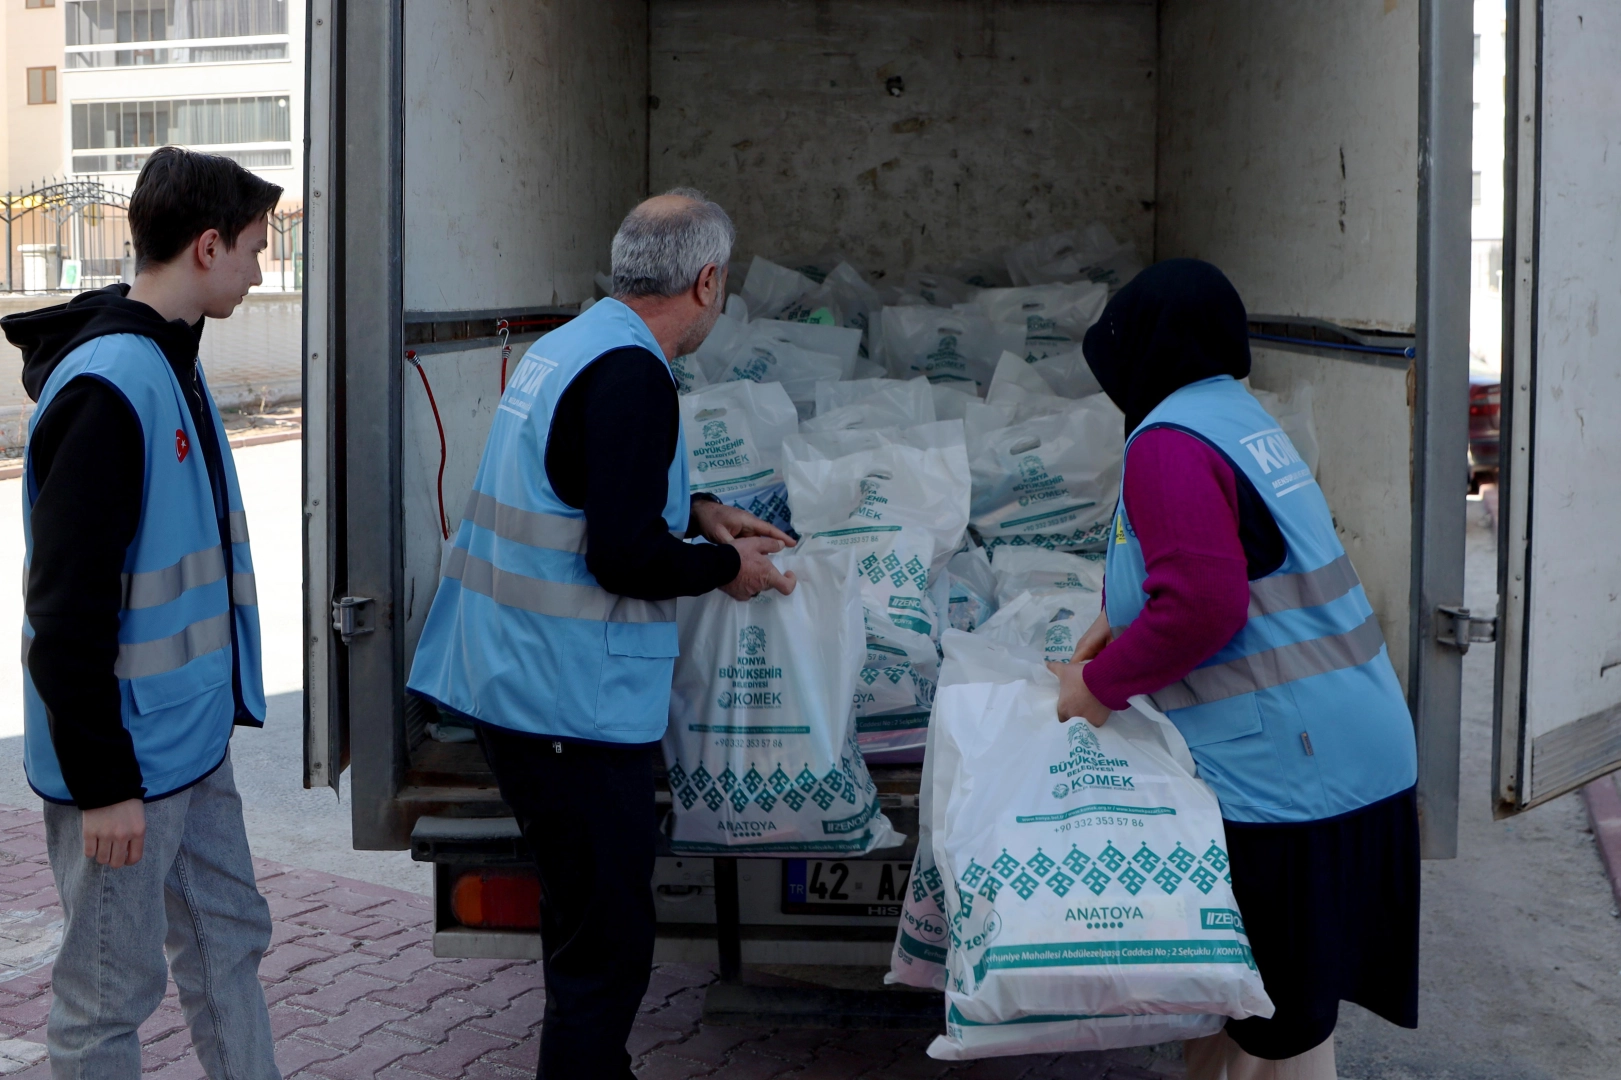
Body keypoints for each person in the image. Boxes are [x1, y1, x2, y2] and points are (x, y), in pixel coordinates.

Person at [407, 189, 795, 1079]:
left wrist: (700, 512)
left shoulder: (575, 345)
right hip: (564, 705)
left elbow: (585, 482)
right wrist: (723, 568)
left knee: (583, 921)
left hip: (510, 682)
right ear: (706, 280)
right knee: (606, 947)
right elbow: (624, 557)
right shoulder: (632, 375)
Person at [1048, 260, 1419, 1080]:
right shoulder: (1232, 416)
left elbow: (1204, 607)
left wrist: (1097, 690)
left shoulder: (1167, 445)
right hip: (1346, 743)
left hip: (1291, 775)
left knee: (1270, 1036)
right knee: (1241, 1014)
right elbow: (1235, 562)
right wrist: (1125, 615)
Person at [0, 147, 280, 1079]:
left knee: (228, 940)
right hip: (125, 767)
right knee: (102, 1005)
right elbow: (65, 615)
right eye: (253, 246)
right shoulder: (112, 387)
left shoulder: (170, 359)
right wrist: (104, 784)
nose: (260, 268)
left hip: (187, 745)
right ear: (207, 247)